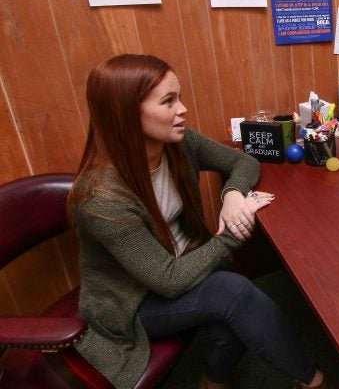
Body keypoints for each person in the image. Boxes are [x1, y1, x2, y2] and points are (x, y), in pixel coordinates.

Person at [69, 54, 325, 389]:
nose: (183, 109)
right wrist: (235, 227)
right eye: (168, 101)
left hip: (184, 262)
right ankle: (313, 380)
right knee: (233, 293)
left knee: (231, 322)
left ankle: (212, 380)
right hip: (134, 301)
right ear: (127, 113)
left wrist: (233, 194)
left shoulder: (177, 143)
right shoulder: (101, 197)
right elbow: (168, 280)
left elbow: (244, 161)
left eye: (180, 97)